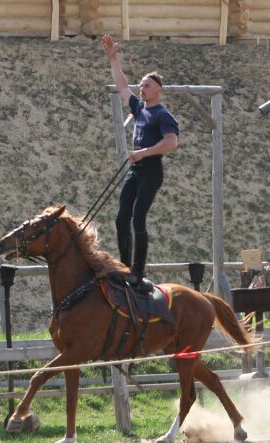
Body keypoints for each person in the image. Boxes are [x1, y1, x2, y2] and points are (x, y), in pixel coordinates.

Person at [101, 34, 179, 289]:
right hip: (135, 170)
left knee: (137, 219)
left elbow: (171, 142)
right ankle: (124, 268)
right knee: (121, 219)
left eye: (146, 85)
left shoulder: (162, 114)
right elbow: (122, 86)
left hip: (150, 171)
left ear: (158, 89)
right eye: (141, 85)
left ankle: (138, 271)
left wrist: (144, 152)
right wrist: (114, 59)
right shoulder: (139, 109)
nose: (140, 89)